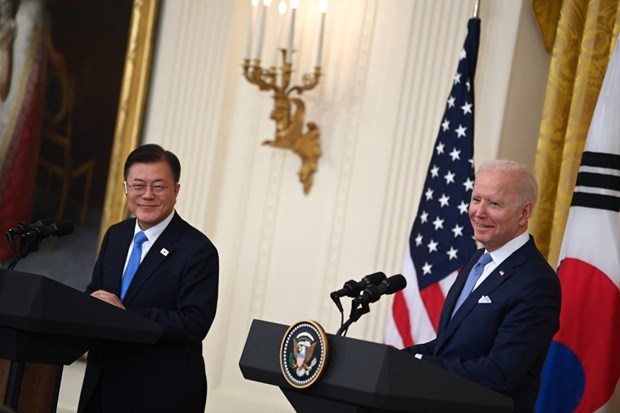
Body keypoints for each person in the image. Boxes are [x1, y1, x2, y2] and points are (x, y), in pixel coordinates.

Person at [403, 159, 561, 413]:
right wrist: (397, 358)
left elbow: (499, 374)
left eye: (494, 203)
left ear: (524, 213)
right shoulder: (477, 260)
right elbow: (451, 347)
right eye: (476, 199)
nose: (479, 212)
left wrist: (420, 363)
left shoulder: (536, 283)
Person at [78, 144, 219, 413]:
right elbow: (96, 294)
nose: (147, 195)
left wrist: (126, 314)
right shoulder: (116, 236)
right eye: (138, 185)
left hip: (159, 392)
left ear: (176, 191)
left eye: (158, 186)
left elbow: (194, 323)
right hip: (103, 385)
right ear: (126, 188)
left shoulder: (198, 250)